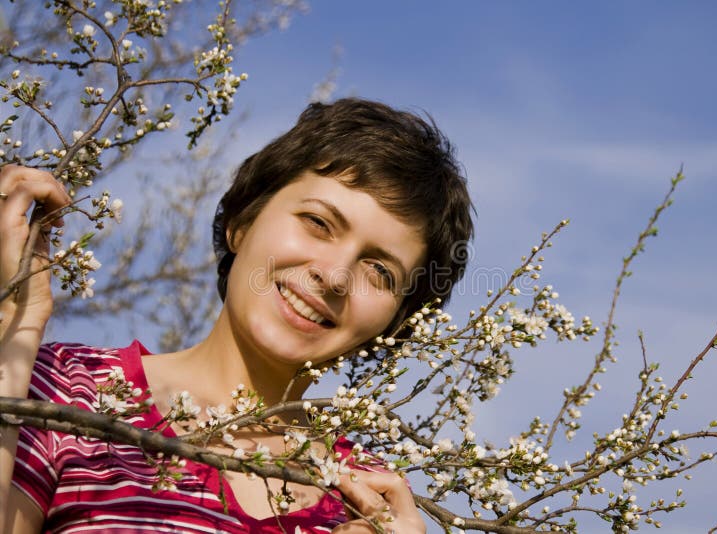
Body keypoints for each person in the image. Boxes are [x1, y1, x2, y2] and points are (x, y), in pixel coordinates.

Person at [0, 98, 474, 533]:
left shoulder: (369, 496)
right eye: (317, 223)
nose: (334, 276)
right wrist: (15, 326)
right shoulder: (62, 389)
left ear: (394, 322)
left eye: (379, 271)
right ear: (242, 222)